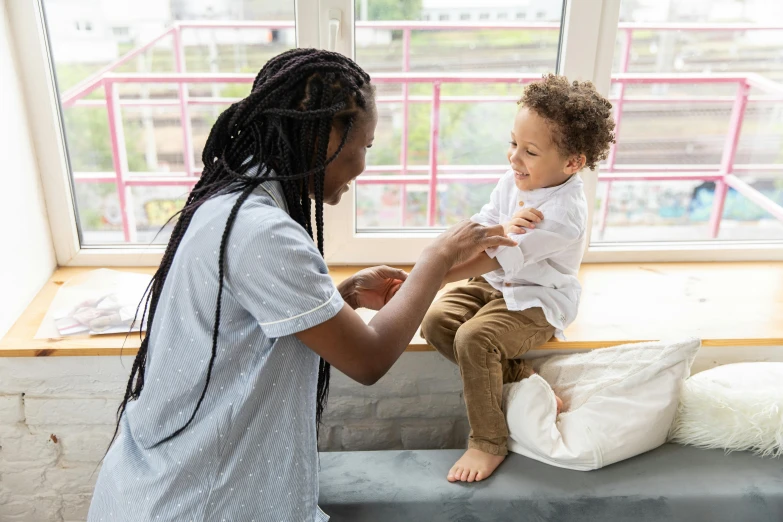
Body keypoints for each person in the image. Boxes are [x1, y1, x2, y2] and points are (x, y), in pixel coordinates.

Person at [86, 49, 515, 522]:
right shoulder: (262, 232)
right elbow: (368, 360)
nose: (364, 166)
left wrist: (342, 297)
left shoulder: (235, 200)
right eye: (366, 147)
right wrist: (437, 258)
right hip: (192, 501)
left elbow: (247, 325)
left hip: (168, 479)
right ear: (329, 131)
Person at [421, 74, 616, 483]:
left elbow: (493, 257)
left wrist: (429, 277)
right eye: (513, 143)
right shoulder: (516, 179)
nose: (514, 159)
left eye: (529, 151)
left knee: (475, 338)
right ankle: (520, 375)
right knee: (436, 323)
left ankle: (489, 441)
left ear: (573, 162)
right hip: (494, 285)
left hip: (536, 300)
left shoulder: (563, 214)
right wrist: (427, 271)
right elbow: (482, 228)